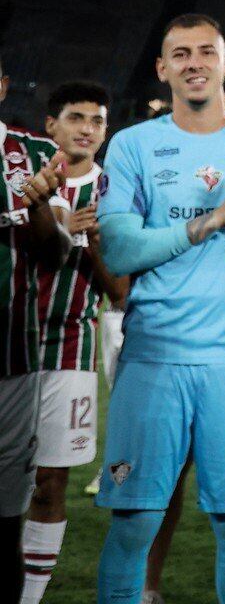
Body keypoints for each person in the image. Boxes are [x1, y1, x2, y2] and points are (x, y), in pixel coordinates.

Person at [94, 15, 225, 604]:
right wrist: (208, 222)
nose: (195, 63)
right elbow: (119, 249)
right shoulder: (132, 144)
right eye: (180, 54)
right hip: (154, 357)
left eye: (206, 52)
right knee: (134, 522)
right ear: (163, 69)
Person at [21, 82, 124, 604]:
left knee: (49, 482)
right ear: (51, 126)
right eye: (76, 117)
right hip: (12, 339)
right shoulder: (21, 179)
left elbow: (121, 293)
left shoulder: (116, 192)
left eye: (97, 120)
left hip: (70, 346)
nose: (87, 128)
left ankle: (30, 597)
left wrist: (94, 241)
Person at [3, 57, 68, 604]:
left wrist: (40, 205)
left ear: (2, 85)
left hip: (13, 360)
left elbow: (56, 254)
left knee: (6, 519)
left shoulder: (35, 154)